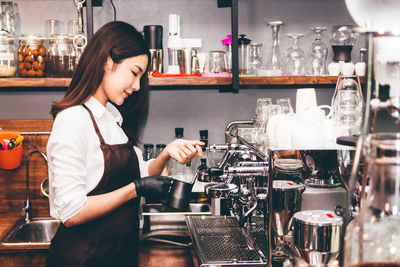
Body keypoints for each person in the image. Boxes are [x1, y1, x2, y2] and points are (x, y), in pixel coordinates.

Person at [46, 21, 204, 267]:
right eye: (134, 72)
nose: (137, 86)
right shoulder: (73, 120)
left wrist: (167, 154)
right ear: (107, 61)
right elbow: (71, 212)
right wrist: (135, 189)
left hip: (119, 257)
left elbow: (140, 174)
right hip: (82, 260)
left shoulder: (111, 118)